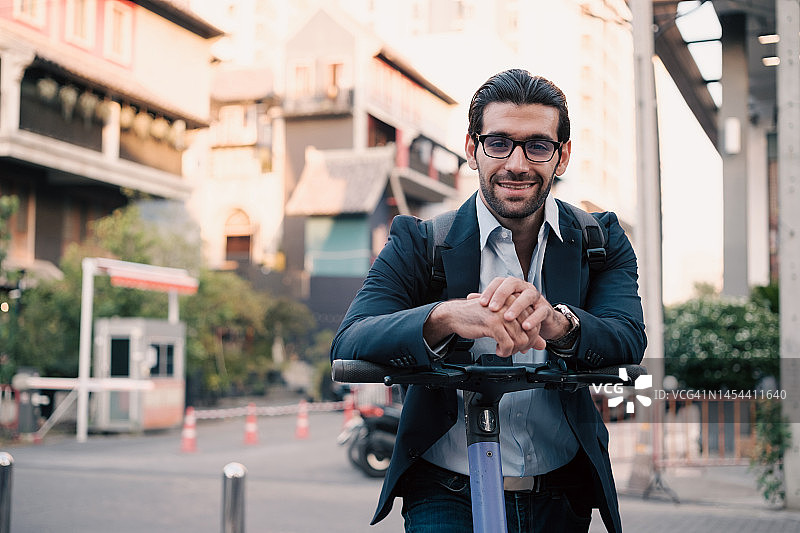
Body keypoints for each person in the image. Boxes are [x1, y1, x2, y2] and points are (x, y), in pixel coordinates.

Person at [331, 69, 646, 533]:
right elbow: (350, 341)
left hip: (561, 496)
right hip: (445, 494)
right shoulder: (420, 243)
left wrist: (561, 326)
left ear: (563, 156)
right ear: (472, 148)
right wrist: (445, 317)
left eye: (538, 145)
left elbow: (628, 339)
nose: (516, 163)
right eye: (499, 143)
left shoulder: (600, 241)